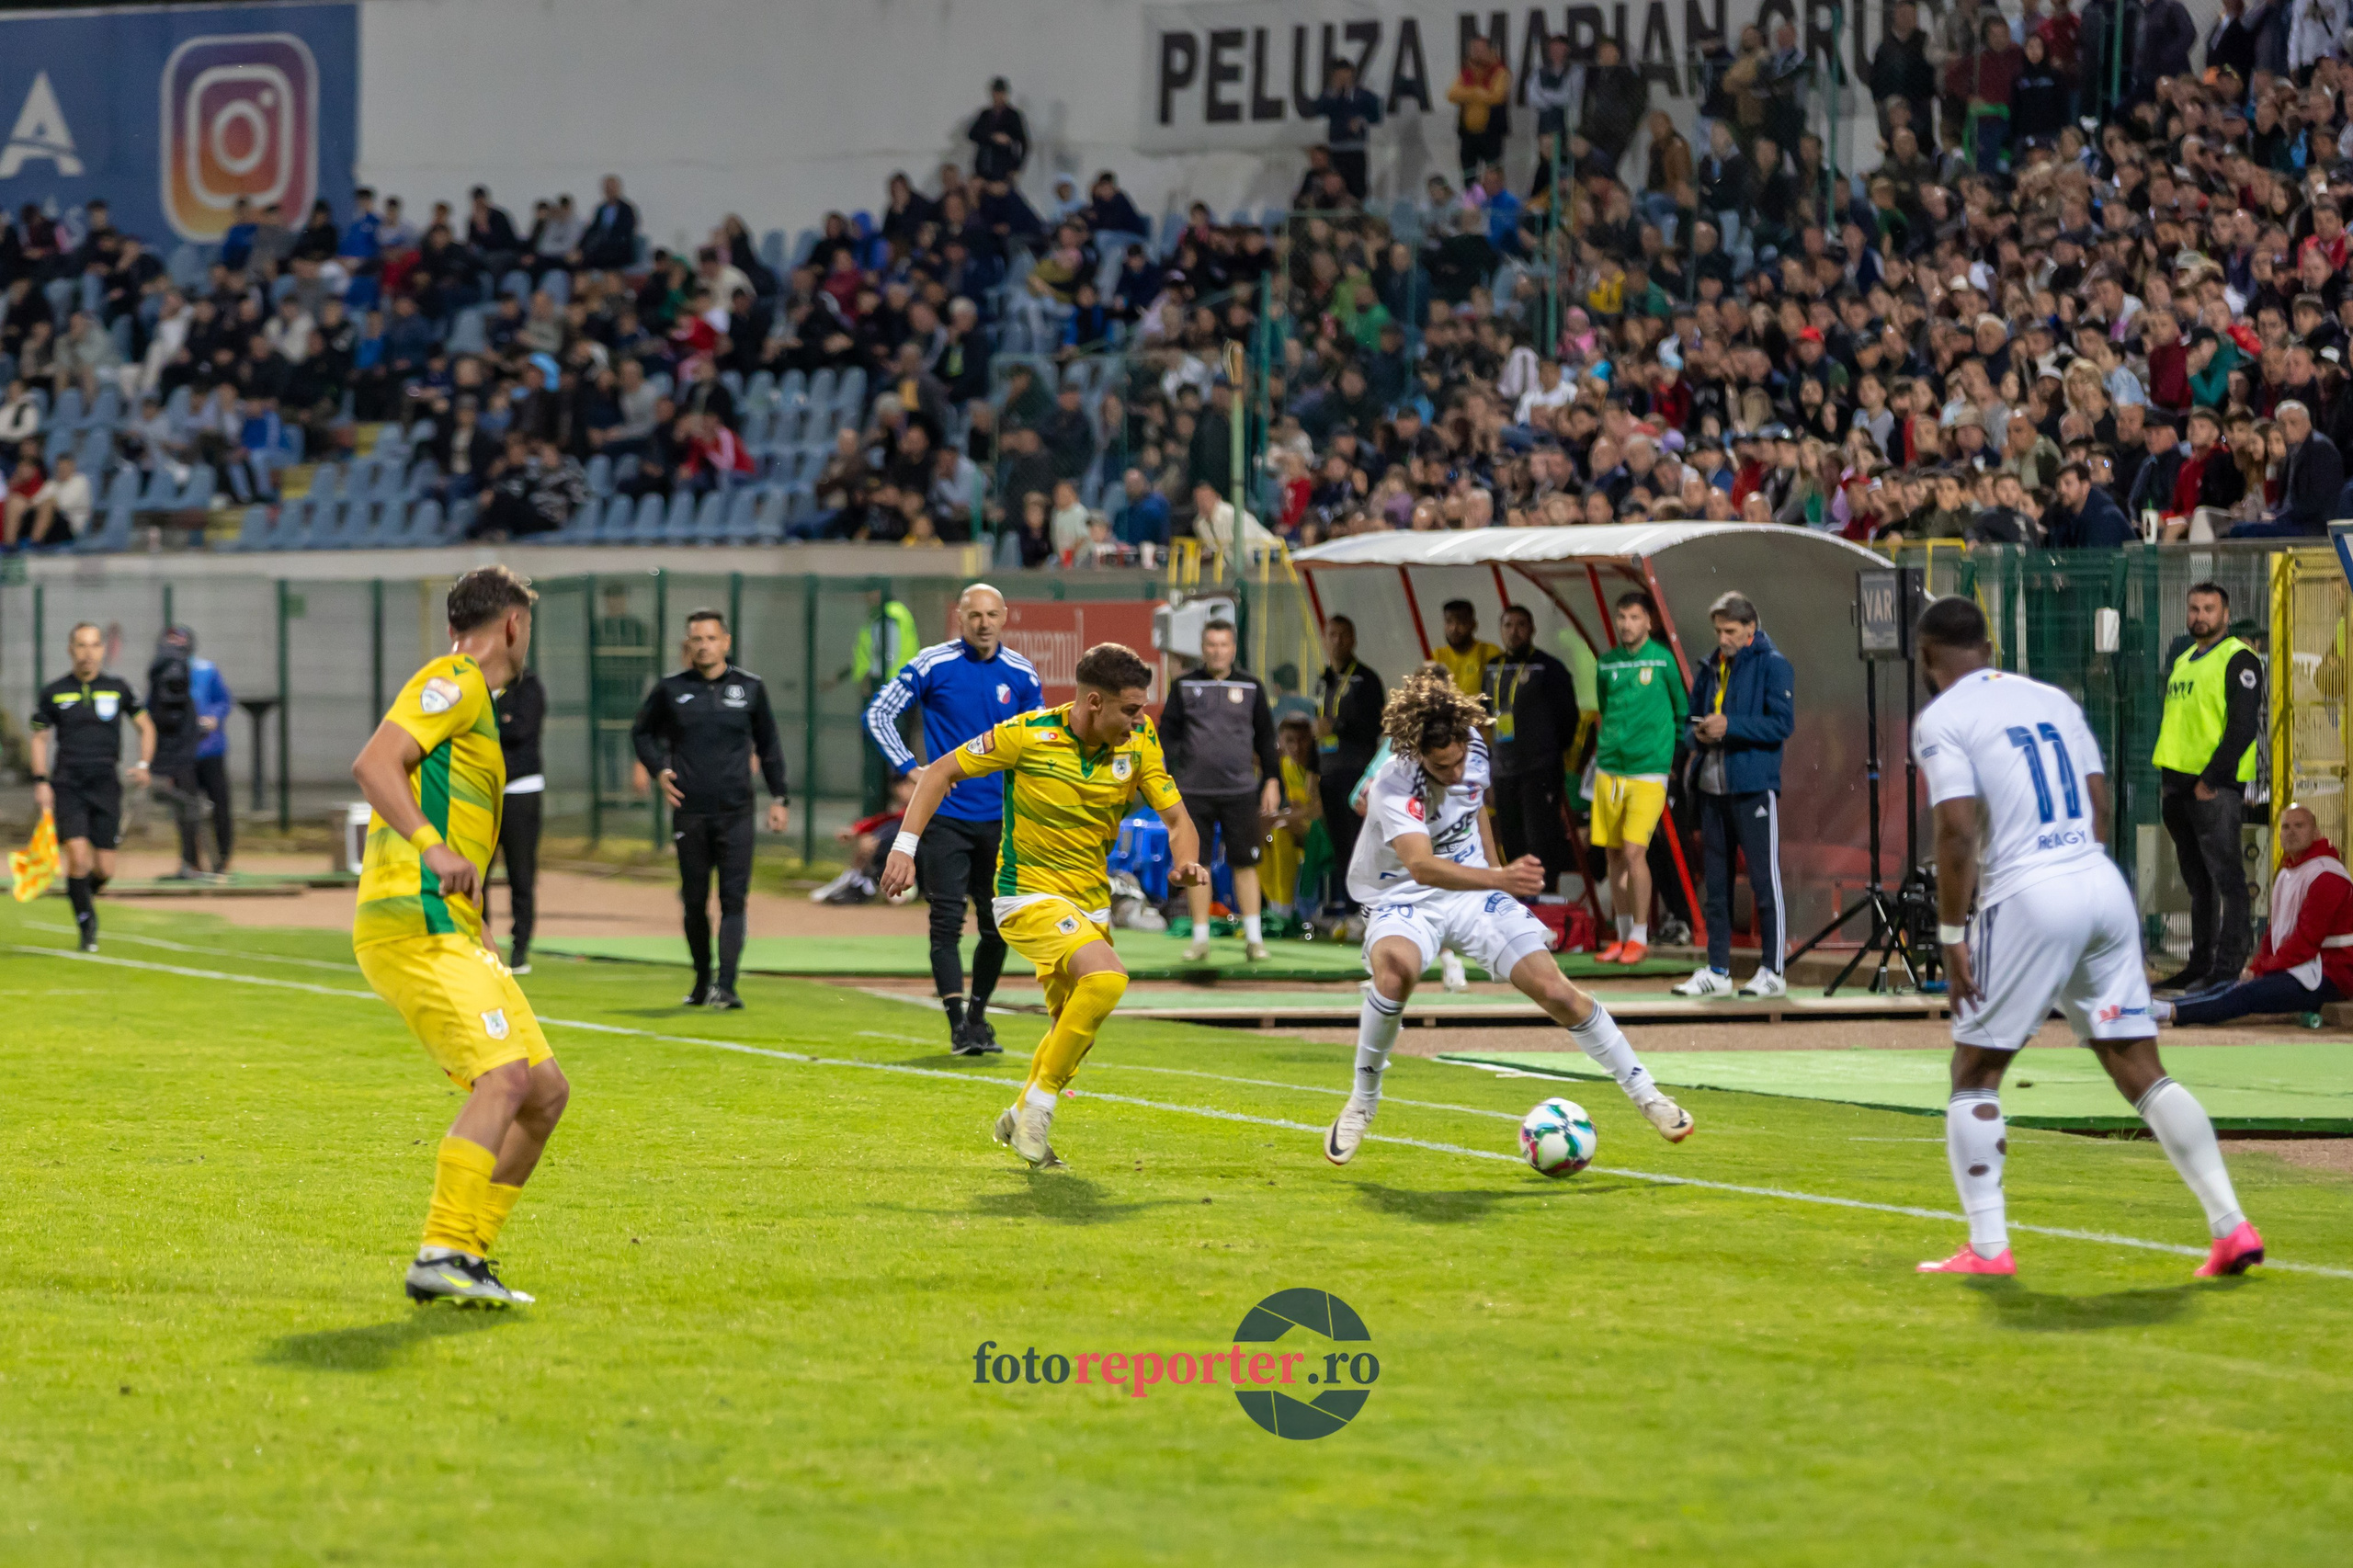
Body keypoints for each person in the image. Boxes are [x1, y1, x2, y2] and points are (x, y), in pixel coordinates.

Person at [1910, 595, 2263, 1279]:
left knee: (1975, 1071)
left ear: (1927, 658)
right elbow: (2099, 803)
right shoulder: (2053, 700)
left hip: (2030, 893)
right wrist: (2078, 884)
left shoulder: (1941, 717)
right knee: (2139, 1066)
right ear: (1989, 648)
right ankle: (2231, 1225)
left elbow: (1955, 833)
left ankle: (1987, 1249)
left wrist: (1953, 932)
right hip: (2099, 884)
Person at [1320, 666, 1693, 1165]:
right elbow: (1423, 866)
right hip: (1403, 895)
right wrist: (1501, 879)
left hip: (1475, 888)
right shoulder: (1394, 783)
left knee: (1558, 991)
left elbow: (1475, 809)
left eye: (1457, 761)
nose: (1454, 772)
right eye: (1442, 766)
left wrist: (1497, 877)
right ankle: (1362, 1103)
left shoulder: (1473, 746)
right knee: (1394, 975)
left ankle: (1650, 1097)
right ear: (1419, 755)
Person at [879, 642, 1205, 1168]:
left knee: (1072, 1028)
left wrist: (1185, 862)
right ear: (1094, 702)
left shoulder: (1140, 741)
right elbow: (939, 772)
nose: (1138, 719)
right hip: (1026, 895)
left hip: (1090, 902)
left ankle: (1016, 1114)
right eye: (1130, 709)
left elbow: (1178, 820)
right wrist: (904, 847)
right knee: (1107, 980)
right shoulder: (1027, 735)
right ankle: (1038, 1110)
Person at [348, 566, 569, 1308]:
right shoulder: (457, 677)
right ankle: (442, 1249)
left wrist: (481, 928)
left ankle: (467, 1257)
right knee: (502, 1080)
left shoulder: (471, 696)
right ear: (512, 624)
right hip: (414, 920)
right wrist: (431, 846)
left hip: (454, 929)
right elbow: (375, 762)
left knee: (541, 1093)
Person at [861, 584, 1043, 1054]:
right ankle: (957, 1022)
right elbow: (879, 713)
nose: (983, 623)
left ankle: (979, 1017)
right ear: (959, 619)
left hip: (999, 819)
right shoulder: (932, 663)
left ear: (1006, 617)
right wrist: (912, 769)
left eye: (991, 614)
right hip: (944, 816)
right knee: (945, 919)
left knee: (995, 922)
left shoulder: (1022, 674)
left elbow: (1038, 744)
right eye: (973, 615)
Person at [630, 609, 791, 1011]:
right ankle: (702, 979)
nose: (704, 645)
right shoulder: (670, 690)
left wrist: (779, 798)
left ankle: (728, 984)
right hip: (690, 813)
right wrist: (659, 770)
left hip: (737, 811)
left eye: (710, 638)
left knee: (734, 900)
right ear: (688, 645)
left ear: (726, 642)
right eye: (696, 639)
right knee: (694, 901)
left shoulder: (750, 688)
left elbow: (769, 745)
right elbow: (641, 733)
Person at [1673, 593, 1794, 1000]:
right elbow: (1689, 724)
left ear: (1750, 631)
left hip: (1754, 788)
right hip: (1712, 788)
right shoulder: (1711, 668)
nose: (1722, 638)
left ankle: (1773, 970)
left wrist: (1732, 726)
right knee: (1717, 886)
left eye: (1729, 631)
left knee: (1764, 881)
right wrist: (1700, 735)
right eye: (1718, 631)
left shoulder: (1774, 666)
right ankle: (1718, 969)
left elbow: (1781, 725)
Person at [2150, 583, 2263, 994]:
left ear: (2226, 615)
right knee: (2198, 883)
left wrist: (2211, 780)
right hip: (2178, 786)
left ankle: (2227, 969)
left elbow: (2242, 728)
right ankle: (2199, 964)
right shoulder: (2184, 660)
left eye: (2209, 609)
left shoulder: (2239, 660)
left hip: (2211, 788)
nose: (2200, 616)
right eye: (2194, 608)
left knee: (2227, 879)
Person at [2156, 802, 2349, 1027]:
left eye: (2299, 826)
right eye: (2286, 827)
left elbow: (2305, 942)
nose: (2292, 832)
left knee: (2247, 994)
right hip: (2305, 969)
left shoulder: (2327, 876)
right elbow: (2274, 933)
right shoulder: (2289, 871)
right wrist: (2257, 968)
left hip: (2332, 975)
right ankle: (2167, 1008)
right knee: (2233, 986)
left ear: (2316, 833)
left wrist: (2260, 968)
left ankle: (2169, 1012)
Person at [1159, 618, 1282, 963]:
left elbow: (1266, 738)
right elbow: (1166, 735)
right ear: (1203, 648)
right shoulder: (1183, 686)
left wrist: (1272, 779)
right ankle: (1200, 940)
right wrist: (1166, 777)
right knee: (1196, 864)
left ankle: (1254, 940)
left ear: (1233, 648)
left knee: (1245, 864)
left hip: (1241, 790)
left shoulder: (1252, 686)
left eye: (1223, 645)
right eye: (1211, 645)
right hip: (1192, 792)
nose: (1217, 651)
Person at [30, 622, 155, 950]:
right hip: (68, 782)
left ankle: (81, 894)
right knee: (77, 856)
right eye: (81, 646)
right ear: (71, 650)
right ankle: (87, 927)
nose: (88, 653)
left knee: (104, 867)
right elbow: (40, 737)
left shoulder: (118, 688)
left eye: (94, 645)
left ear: (102, 649)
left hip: (105, 782)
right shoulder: (53, 691)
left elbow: (146, 726)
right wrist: (41, 780)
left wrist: (144, 765)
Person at [1592, 593, 1688, 965]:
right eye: (1622, 617)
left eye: (1634, 617)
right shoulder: (1606, 663)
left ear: (1649, 622)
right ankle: (1620, 936)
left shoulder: (1663, 660)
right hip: (1610, 769)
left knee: (1635, 852)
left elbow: (1681, 710)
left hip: (1649, 770)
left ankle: (1640, 935)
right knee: (1613, 854)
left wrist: (1675, 759)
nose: (1627, 624)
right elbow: (1606, 707)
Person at [1484, 604, 1580, 891]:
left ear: (1532, 629)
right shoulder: (1492, 667)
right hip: (1503, 769)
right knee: (1512, 840)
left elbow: (1568, 718)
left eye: (1521, 625)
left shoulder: (1549, 668)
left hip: (1539, 770)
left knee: (1540, 841)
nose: (1514, 632)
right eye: (1508, 625)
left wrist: (1548, 751)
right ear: (1501, 630)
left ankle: (1545, 899)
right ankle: (1518, 903)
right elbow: (1486, 713)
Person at [1313, 616, 1384, 923]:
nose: (1337, 641)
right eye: (1332, 635)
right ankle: (1349, 908)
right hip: (1328, 771)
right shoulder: (1324, 678)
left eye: (1343, 635)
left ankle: (1366, 909)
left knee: (1360, 842)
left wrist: (1337, 725)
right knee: (1340, 843)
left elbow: (1376, 727)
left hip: (1356, 771)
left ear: (1353, 639)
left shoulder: (1367, 679)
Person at [494, 666, 547, 973]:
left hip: (521, 790)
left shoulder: (529, 687)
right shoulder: (478, 685)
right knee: (475, 873)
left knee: (521, 874)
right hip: (484, 793)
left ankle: (520, 949)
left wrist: (495, 724)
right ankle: (479, 940)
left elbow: (520, 730)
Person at [145, 628, 209, 880]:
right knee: (181, 805)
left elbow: (173, 706)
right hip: (170, 750)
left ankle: (193, 863)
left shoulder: (176, 671)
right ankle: (189, 861)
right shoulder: (163, 672)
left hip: (181, 751)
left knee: (189, 806)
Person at [1429, 599, 1501, 697]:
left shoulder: (1490, 652)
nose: (1454, 628)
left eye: (1461, 622)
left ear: (1473, 625)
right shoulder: (1437, 656)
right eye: (1449, 622)